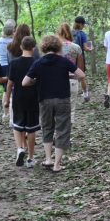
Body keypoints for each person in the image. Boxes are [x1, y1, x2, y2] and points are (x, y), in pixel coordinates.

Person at [22, 35, 85, 173]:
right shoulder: (63, 61)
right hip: (62, 99)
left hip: (45, 100)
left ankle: (48, 159)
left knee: (47, 128)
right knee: (62, 130)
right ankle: (57, 164)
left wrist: (36, 80)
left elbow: (24, 82)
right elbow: (81, 75)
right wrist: (67, 75)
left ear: (43, 47)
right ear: (58, 46)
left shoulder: (38, 63)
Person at [5, 36, 41, 168]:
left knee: (17, 125)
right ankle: (31, 158)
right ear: (34, 48)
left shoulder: (14, 63)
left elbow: (9, 84)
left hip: (18, 97)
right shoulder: (37, 63)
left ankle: (20, 147)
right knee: (31, 129)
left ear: (21, 47)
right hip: (33, 99)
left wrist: (7, 99)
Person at [6, 23, 40, 126]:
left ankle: (16, 124)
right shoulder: (35, 48)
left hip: (15, 81)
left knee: (16, 104)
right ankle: (29, 128)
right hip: (31, 82)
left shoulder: (10, 47)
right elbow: (37, 62)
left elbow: (9, 63)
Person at [57, 23, 84, 123]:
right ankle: (66, 135)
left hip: (56, 81)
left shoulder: (54, 48)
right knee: (71, 110)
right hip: (72, 80)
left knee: (57, 108)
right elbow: (80, 68)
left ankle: (57, 133)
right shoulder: (76, 47)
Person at [0, 19, 16, 121]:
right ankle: (12, 115)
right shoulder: (14, 42)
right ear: (13, 31)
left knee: (5, 89)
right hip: (11, 65)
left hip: (1, 65)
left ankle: (5, 114)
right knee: (11, 88)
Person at [72, 16, 93, 102]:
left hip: (70, 58)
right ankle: (85, 95)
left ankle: (71, 94)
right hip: (80, 57)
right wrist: (90, 48)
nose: (84, 26)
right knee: (82, 76)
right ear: (80, 24)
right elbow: (86, 48)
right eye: (83, 24)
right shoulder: (82, 34)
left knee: (70, 76)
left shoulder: (69, 32)